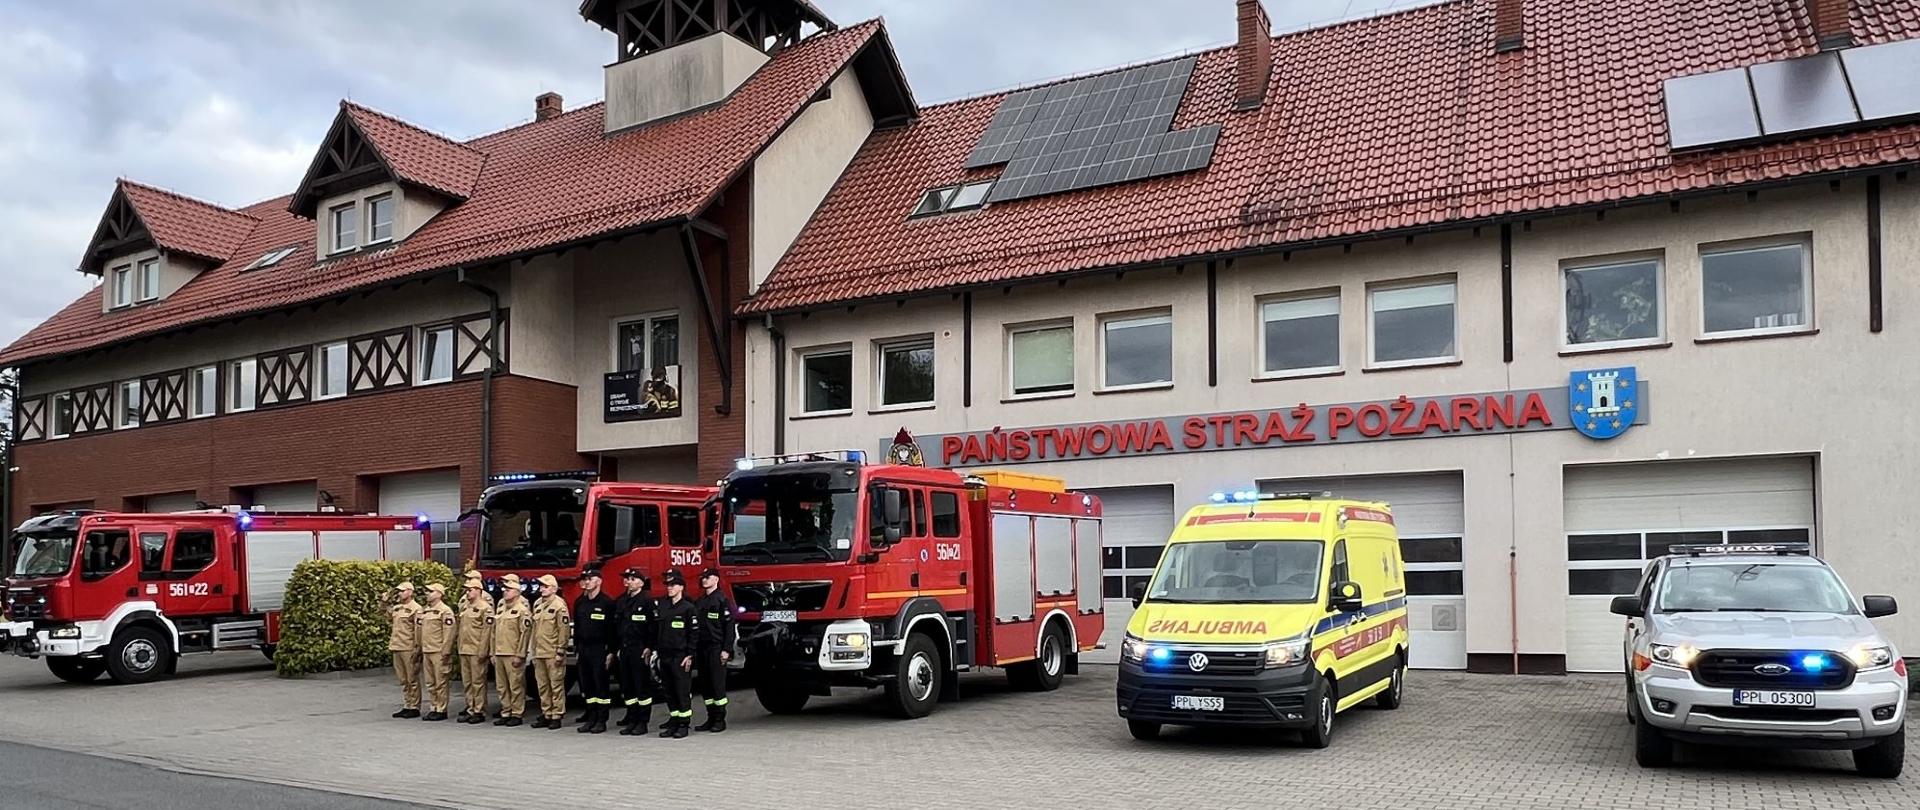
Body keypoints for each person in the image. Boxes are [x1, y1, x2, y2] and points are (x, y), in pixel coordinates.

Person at [572, 566, 618, 734]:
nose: (586, 582)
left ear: (598, 581)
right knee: (587, 686)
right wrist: (577, 647)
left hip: (600, 649)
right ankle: (590, 718)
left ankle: (601, 720)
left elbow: (613, 630)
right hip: (584, 649)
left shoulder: (607, 603)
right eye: (584, 579)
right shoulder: (580, 602)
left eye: (589, 579)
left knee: (601, 686)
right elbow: (577, 627)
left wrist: (611, 651)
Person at [654, 570, 699, 739]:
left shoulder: (688, 608)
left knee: (681, 690)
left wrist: (690, 655)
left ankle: (684, 724)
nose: (669, 588)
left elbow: (694, 633)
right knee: (669, 690)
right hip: (664, 655)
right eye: (668, 586)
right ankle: (674, 720)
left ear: (681, 587)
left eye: (673, 585)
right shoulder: (664, 607)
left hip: (680, 656)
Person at [613, 568, 658, 736]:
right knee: (628, 687)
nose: (628, 581)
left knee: (641, 687)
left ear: (640, 582)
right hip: (625, 649)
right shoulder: (622, 601)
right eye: (627, 579)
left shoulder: (646, 601)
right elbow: (617, 626)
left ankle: (642, 722)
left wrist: (649, 647)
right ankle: (631, 719)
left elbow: (653, 627)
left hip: (639, 649)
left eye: (632, 579)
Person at [693, 567, 737, 733]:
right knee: (705, 685)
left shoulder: (722, 600)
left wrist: (726, 650)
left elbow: (729, 627)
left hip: (716, 648)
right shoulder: (700, 601)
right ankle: (710, 718)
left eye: (708, 577)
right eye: (703, 577)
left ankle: (720, 719)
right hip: (702, 648)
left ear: (716, 579)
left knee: (717, 685)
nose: (704, 580)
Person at [529, 573, 571, 729]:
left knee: (556, 685)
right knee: (542, 685)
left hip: (552, 652)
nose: (542, 589)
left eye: (545, 586)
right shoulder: (538, 604)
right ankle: (546, 712)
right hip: (539, 652)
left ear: (554, 589)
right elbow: (534, 630)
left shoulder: (559, 605)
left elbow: (563, 630)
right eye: (541, 586)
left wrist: (561, 650)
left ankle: (557, 714)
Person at [490, 574, 534, 727]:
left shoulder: (522, 610)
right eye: (504, 589)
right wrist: (493, 652)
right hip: (500, 652)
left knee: (515, 685)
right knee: (502, 686)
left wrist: (520, 654)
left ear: (517, 592)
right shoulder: (502, 609)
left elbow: (525, 634)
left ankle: (517, 712)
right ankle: (506, 710)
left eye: (508, 589)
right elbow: (494, 633)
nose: (505, 591)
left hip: (513, 653)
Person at [455, 572, 494, 724]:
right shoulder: (466, 607)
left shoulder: (485, 608)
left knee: (478, 682)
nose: (467, 592)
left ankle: (479, 710)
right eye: (466, 589)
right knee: (468, 682)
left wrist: (484, 650)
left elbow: (487, 631)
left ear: (478, 590)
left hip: (477, 649)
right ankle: (470, 708)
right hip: (465, 648)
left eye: (470, 589)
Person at [415, 583, 456, 721]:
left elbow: (449, 632)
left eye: (431, 591)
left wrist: (446, 650)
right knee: (430, 682)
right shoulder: (425, 611)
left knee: (440, 681)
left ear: (439, 594)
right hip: (427, 650)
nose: (427, 594)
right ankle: (433, 706)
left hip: (438, 651)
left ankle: (441, 708)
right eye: (427, 591)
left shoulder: (445, 611)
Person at [387, 581, 423, 719]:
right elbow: (386, 616)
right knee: (403, 679)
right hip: (396, 645)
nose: (400, 593)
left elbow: (418, 630)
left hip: (408, 646)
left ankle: (414, 706)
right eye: (399, 591)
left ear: (410, 592)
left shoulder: (416, 609)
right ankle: (407, 704)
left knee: (412, 678)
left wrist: (417, 647)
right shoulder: (397, 608)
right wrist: (384, 603)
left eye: (402, 591)